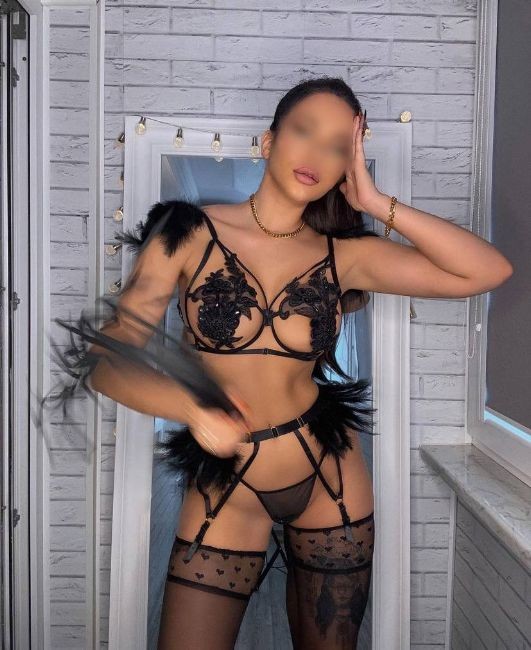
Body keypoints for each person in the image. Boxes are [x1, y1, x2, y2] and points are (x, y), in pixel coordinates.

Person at [71, 78, 512, 649]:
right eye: (305, 132)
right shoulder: (187, 232)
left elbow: (487, 271)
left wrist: (375, 203)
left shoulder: (343, 256)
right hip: (227, 477)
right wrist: (193, 411)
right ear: (268, 140)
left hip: (327, 468)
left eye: (337, 146)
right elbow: (105, 359)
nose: (317, 155)